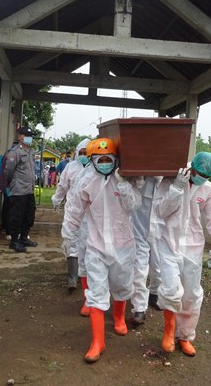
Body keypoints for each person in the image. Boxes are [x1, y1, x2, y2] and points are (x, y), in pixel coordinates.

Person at [61, 138, 142, 363]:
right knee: (96, 291)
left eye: (109, 159)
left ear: (115, 159)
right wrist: (68, 235)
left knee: (122, 285)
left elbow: (134, 206)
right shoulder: (86, 181)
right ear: (93, 160)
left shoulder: (126, 179)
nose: (105, 163)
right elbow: (74, 209)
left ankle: (118, 318)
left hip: (124, 245)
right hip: (96, 245)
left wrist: (124, 184)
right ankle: (98, 341)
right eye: (101, 159)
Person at [154, 151, 211, 357]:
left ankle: (186, 336)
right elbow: (161, 211)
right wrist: (176, 189)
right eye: (199, 173)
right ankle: (169, 331)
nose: (202, 178)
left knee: (191, 294)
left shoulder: (207, 189)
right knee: (171, 290)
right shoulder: (170, 180)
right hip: (169, 243)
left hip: (193, 246)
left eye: (207, 176)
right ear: (193, 167)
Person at [52, 138, 90, 290]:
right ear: (76, 153)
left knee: (87, 242)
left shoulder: (95, 168)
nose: (83, 155)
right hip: (73, 210)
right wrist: (57, 199)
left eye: (86, 153)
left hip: (89, 212)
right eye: (81, 153)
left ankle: (85, 275)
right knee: (70, 240)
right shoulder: (70, 167)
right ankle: (72, 278)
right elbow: (62, 186)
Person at [129, 176, 161, 326]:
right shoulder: (139, 178)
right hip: (139, 226)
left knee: (159, 264)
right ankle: (139, 307)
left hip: (162, 230)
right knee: (139, 267)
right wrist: (139, 178)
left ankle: (155, 293)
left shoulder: (174, 180)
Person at [1, 126, 38, 253]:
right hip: (19, 190)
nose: (29, 138)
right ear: (20, 136)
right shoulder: (14, 152)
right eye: (26, 135)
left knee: (29, 215)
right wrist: (11, 184)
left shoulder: (30, 151)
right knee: (16, 216)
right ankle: (14, 241)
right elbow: (8, 171)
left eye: (31, 136)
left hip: (29, 190)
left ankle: (23, 238)